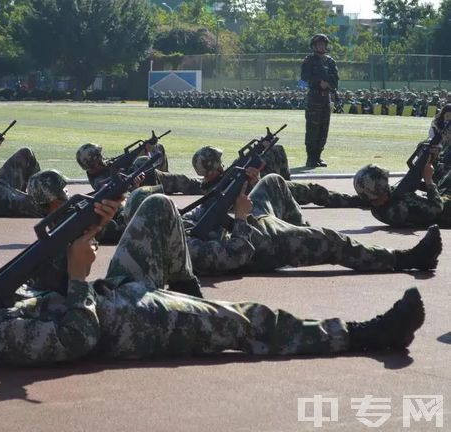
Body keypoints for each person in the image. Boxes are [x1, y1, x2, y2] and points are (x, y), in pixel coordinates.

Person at [0, 196, 425, 367]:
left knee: (156, 208)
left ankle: (187, 294)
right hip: (133, 322)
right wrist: (78, 277)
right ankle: (367, 334)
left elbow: (49, 293)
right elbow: (77, 337)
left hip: (119, 293)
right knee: (250, 320)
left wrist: (90, 228)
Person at [126, 172, 441, 276]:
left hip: (251, 220)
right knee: (332, 241)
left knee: (273, 181)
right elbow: (236, 255)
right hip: (263, 245)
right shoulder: (182, 253)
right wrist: (240, 217)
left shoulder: (176, 224)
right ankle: (408, 259)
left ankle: (304, 230)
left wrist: (235, 189)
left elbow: (202, 214)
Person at [192, 146, 364, 208]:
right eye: (219, 162)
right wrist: (255, 180)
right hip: (271, 196)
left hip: (266, 191)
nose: (223, 164)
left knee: (275, 150)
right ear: (213, 167)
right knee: (314, 191)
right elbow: (249, 200)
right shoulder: (220, 189)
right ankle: (356, 200)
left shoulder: (212, 187)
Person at [354, 160, 451, 228]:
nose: (387, 184)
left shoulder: (378, 202)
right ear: (378, 188)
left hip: (441, 200)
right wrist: (428, 180)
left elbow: (399, 190)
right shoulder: (399, 208)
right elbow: (437, 208)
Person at [76, 142, 203, 194]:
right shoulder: (100, 182)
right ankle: (209, 186)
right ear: (94, 161)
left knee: (158, 147)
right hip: (143, 186)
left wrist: (144, 148)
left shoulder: (100, 170)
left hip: (145, 182)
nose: (102, 157)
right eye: (99, 156)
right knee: (182, 181)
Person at [301, 34, 338, 168]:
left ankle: (318, 156)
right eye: (319, 44)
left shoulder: (330, 61)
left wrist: (329, 84)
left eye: (324, 44)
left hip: (326, 98)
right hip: (314, 97)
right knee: (313, 129)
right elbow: (304, 76)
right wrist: (318, 82)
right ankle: (310, 158)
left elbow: (336, 78)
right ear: (314, 46)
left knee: (323, 128)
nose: (322, 46)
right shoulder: (309, 60)